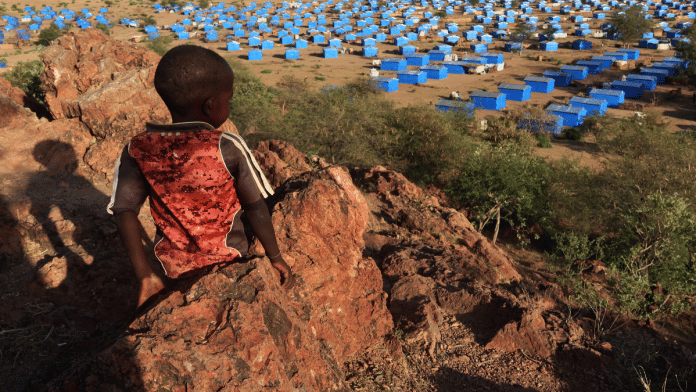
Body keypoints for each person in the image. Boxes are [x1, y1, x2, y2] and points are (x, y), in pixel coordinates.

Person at [107, 45, 294, 308]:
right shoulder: (226, 146)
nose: (228, 104)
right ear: (209, 106)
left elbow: (124, 210)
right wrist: (275, 257)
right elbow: (256, 207)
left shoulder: (138, 147)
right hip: (230, 264)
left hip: (172, 270)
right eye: (227, 99)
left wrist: (145, 275)